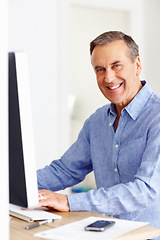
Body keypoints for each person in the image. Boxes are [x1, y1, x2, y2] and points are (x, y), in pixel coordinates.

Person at [37, 31, 160, 232]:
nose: (109, 77)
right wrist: (12, 183)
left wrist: (69, 202)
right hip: (107, 233)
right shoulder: (97, 121)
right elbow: (67, 170)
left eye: (116, 65)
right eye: (100, 69)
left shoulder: (157, 118)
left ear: (137, 65)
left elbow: (145, 190)